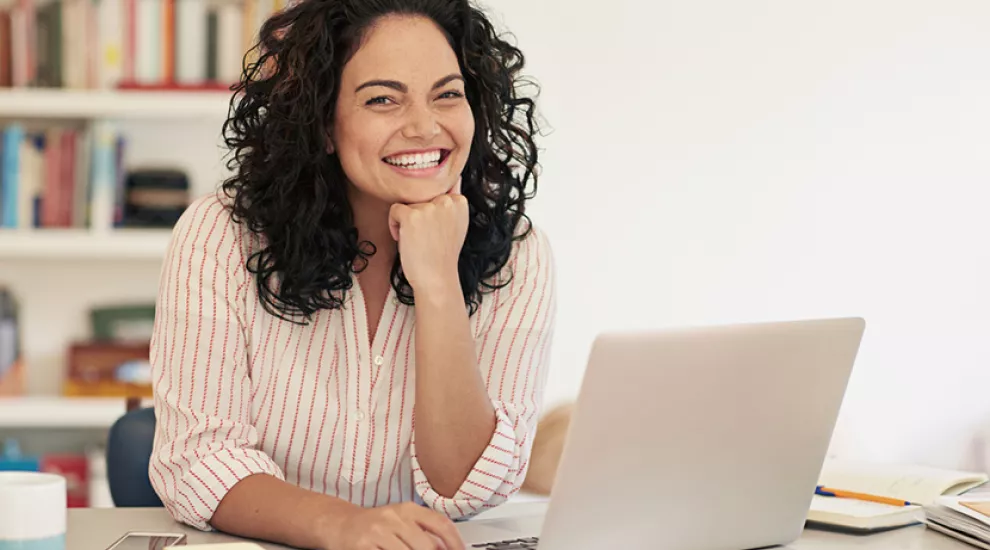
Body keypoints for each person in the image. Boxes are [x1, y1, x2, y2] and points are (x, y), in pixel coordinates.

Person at [148, 0, 556, 548]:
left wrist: (437, 284)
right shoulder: (220, 234)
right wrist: (344, 526)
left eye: (448, 94)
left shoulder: (518, 255)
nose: (423, 125)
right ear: (322, 124)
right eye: (382, 99)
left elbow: (466, 487)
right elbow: (197, 460)